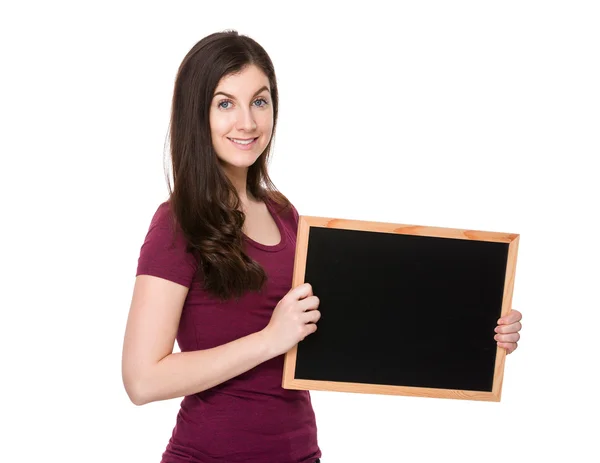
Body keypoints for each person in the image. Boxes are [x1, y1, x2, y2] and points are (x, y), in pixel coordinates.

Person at [121, 30, 523, 463]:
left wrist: (477, 332)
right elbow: (142, 380)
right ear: (195, 114)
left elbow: (344, 328)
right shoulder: (176, 223)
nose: (248, 123)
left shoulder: (282, 213)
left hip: (299, 453)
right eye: (225, 103)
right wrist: (269, 339)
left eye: (260, 101)